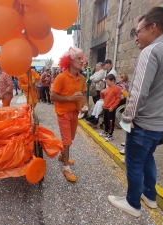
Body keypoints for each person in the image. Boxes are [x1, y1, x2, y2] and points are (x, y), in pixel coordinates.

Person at [107, 7, 163, 217]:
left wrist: (127, 119)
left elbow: (137, 91)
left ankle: (132, 203)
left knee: (134, 162)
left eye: (138, 32)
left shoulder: (152, 51)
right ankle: (150, 196)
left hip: (145, 122)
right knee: (147, 158)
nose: (136, 38)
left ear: (153, 27)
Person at [50, 47, 88, 182]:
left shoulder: (82, 78)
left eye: (81, 59)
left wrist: (85, 105)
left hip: (75, 113)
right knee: (67, 140)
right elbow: (52, 96)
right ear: (70, 61)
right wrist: (69, 98)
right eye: (79, 58)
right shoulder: (60, 78)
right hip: (63, 113)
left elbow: (83, 94)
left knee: (70, 138)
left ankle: (62, 155)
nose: (82, 61)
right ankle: (66, 168)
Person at [98, 74, 121, 142]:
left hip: (111, 108)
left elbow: (118, 99)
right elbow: (103, 97)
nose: (107, 83)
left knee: (111, 121)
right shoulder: (107, 88)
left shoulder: (117, 88)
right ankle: (106, 131)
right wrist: (101, 92)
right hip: (105, 106)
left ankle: (110, 134)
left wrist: (113, 106)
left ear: (113, 81)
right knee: (105, 120)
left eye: (107, 82)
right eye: (106, 82)